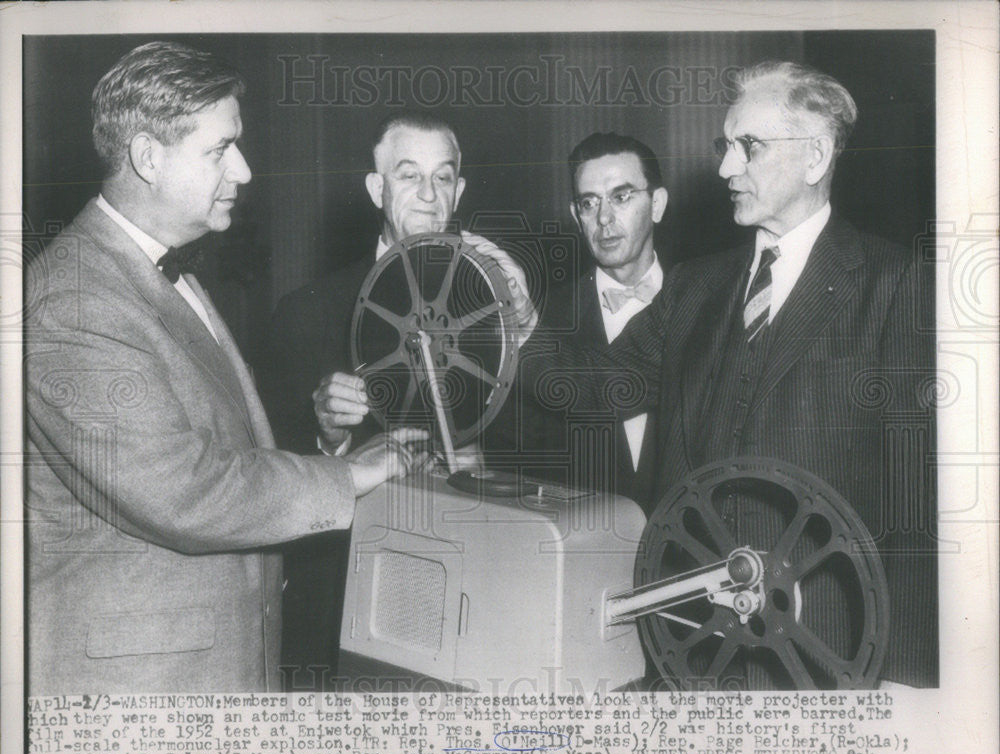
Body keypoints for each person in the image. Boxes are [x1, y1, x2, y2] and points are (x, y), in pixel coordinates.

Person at [23, 41, 427, 695]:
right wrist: (348, 473)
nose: (242, 169)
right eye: (219, 149)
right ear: (148, 157)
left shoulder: (154, 268)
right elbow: (179, 488)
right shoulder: (72, 300)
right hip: (138, 694)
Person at [517, 61, 936, 687]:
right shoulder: (693, 287)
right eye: (725, 146)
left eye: (749, 147)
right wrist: (514, 317)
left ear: (816, 156)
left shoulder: (895, 284)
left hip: (826, 655)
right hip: (695, 649)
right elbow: (587, 383)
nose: (724, 169)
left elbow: (920, 498)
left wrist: (906, 667)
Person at [259, 111, 533, 686]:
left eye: (444, 177)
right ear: (375, 187)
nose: (429, 195)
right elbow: (261, 480)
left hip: (479, 603)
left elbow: (547, 444)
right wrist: (327, 436)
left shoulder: (507, 308)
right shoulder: (306, 309)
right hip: (343, 615)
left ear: (460, 189)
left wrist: (489, 475)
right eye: (408, 176)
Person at [487, 133, 668, 504]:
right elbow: (511, 468)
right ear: (576, 215)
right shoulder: (539, 324)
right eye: (589, 203)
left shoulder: (708, 303)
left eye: (621, 196)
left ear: (658, 204)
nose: (604, 218)